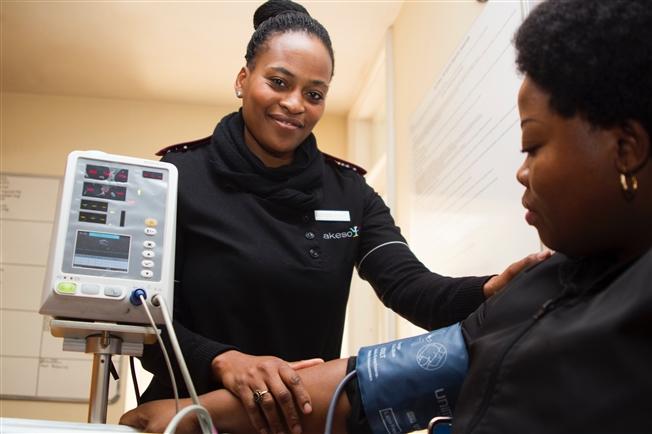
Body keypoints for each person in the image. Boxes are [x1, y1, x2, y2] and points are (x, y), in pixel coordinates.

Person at [121, 0, 652, 432]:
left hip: (299, 416)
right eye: (278, 83)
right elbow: (145, 318)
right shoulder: (177, 179)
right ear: (243, 79)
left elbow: (410, 288)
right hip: (186, 400)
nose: (294, 104)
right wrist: (223, 361)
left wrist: (486, 292)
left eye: (314, 93)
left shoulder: (347, 195)